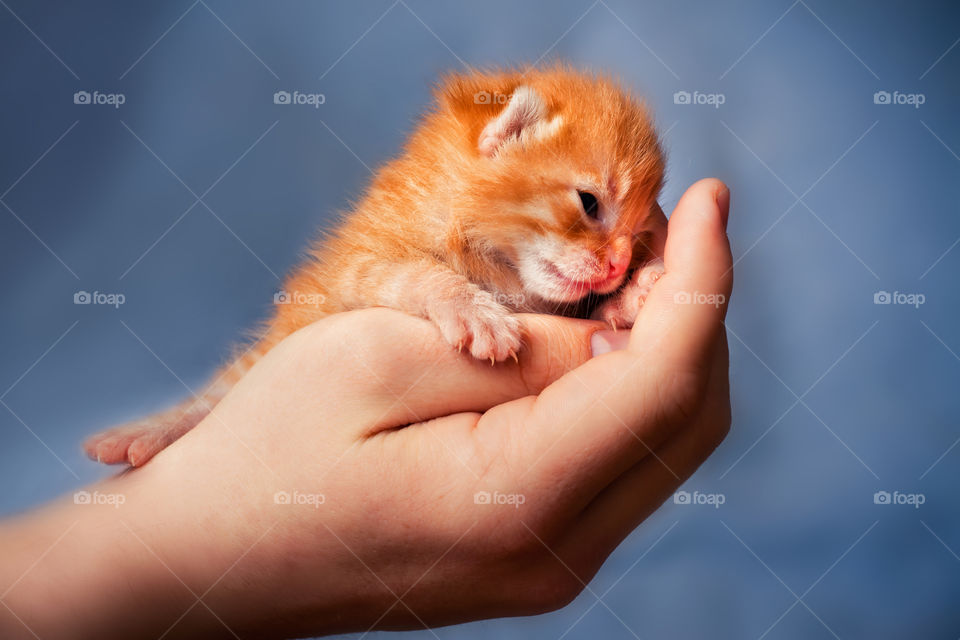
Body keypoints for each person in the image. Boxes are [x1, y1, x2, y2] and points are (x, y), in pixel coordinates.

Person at [0, 179, 732, 640]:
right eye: (588, 208)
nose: (610, 255)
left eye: (633, 239)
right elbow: (354, 277)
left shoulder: (547, 251)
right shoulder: (434, 201)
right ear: (501, 136)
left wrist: (631, 296)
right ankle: (194, 417)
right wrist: (195, 530)